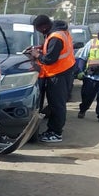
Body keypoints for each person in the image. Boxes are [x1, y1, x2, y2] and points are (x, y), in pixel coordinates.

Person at [28, 15, 76, 143]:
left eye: (39, 29)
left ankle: (55, 133)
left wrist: (36, 54)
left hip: (58, 74)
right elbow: (54, 50)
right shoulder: (59, 32)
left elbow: (49, 59)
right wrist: (41, 48)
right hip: (63, 72)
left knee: (57, 105)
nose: (39, 31)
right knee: (56, 105)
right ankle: (53, 130)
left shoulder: (56, 37)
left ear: (44, 27)